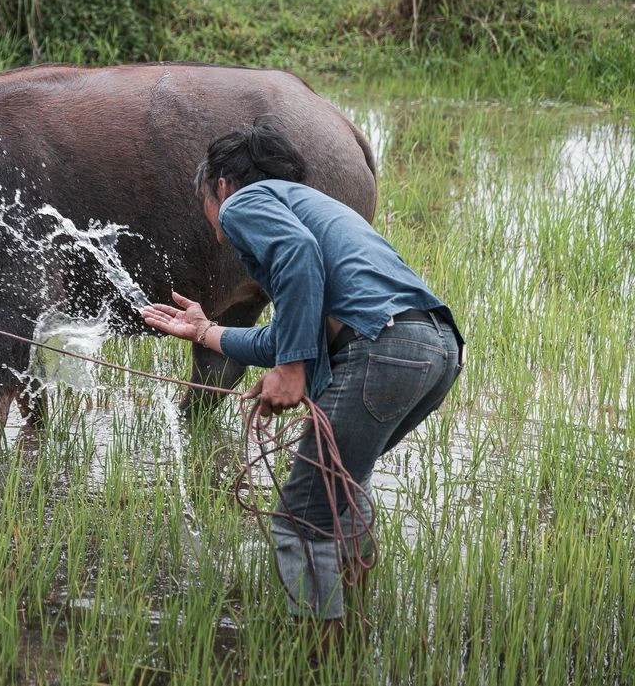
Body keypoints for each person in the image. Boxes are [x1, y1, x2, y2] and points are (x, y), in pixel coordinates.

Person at [140, 121, 464, 652]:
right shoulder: (309, 208)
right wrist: (206, 331)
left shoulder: (247, 203)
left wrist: (291, 369)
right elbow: (298, 325)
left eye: (204, 196)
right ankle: (349, 630)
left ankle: (315, 652)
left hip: (383, 348)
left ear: (220, 185)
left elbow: (296, 260)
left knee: (300, 517)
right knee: (340, 496)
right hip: (434, 348)